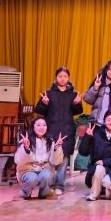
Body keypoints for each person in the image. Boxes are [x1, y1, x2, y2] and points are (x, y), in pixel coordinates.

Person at [34, 66, 83, 196]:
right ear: (56, 78)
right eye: (60, 76)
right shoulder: (49, 93)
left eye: (65, 76)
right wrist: (44, 103)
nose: (62, 79)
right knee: (50, 157)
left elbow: (78, 111)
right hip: (51, 129)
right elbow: (39, 111)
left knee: (64, 157)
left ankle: (60, 185)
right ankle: (48, 183)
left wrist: (77, 103)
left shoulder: (73, 94)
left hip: (67, 129)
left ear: (68, 78)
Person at [79, 110, 111, 201]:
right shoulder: (97, 134)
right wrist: (88, 137)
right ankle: (94, 194)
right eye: (108, 120)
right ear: (104, 121)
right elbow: (83, 152)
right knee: (99, 168)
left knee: (108, 191)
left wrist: (104, 162)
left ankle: (106, 188)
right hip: (97, 170)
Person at [15, 117, 65, 199]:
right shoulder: (25, 141)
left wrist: (56, 148)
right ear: (33, 127)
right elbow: (19, 161)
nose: (41, 127)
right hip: (27, 170)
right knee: (32, 178)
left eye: (44, 125)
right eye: (38, 125)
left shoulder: (50, 141)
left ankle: (44, 193)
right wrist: (26, 149)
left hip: (43, 169)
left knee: (47, 175)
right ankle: (25, 193)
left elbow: (55, 162)